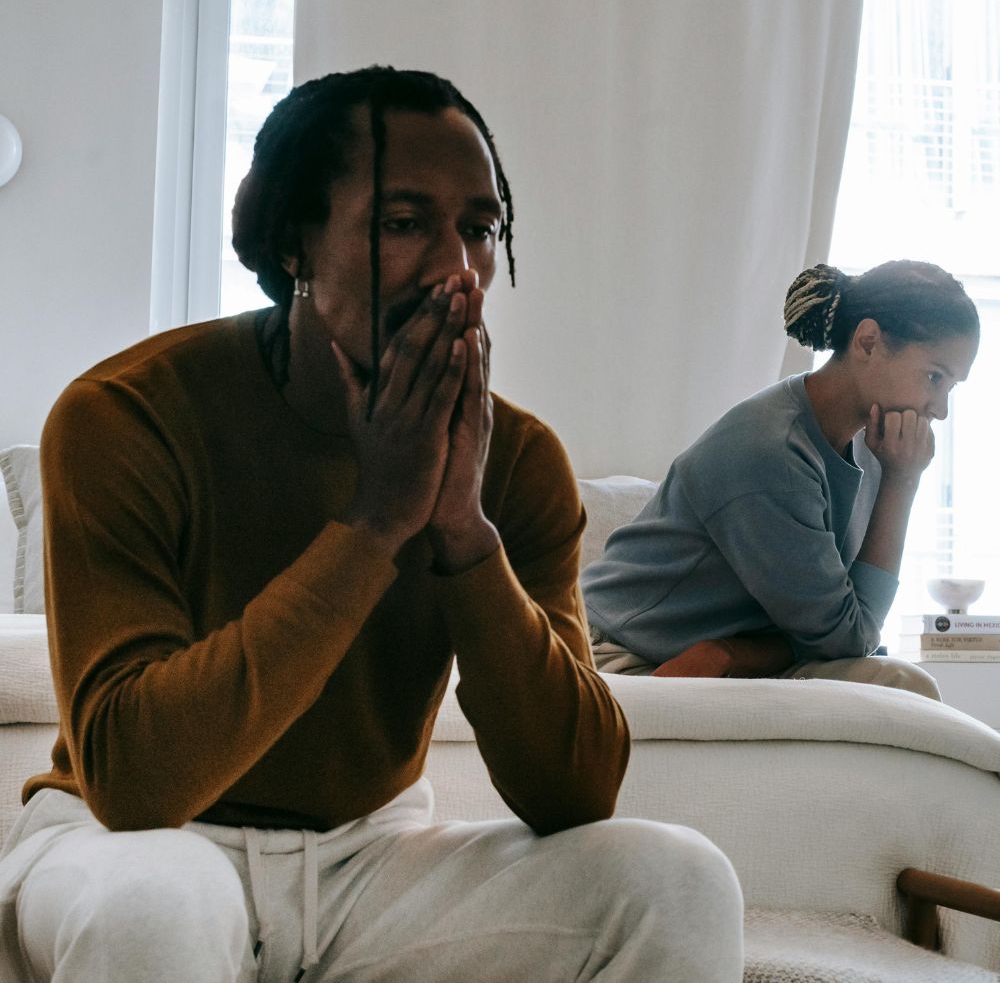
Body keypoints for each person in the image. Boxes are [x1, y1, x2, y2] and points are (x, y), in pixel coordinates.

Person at [0, 67, 743, 982]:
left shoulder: (516, 460)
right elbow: (136, 782)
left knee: (678, 881)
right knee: (155, 908)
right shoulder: (126, 415)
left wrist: (464, 531)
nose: (455, 269)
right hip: (128, 844)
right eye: (403, 224)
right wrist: (376, 523)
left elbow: (577, 789)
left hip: (367, 858)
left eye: (479, 230)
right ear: (294, 246)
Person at [582, 260, 979, 698]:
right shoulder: (771, 451)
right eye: (934, 377)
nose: (939, 409)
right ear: (867, 342)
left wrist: (731, 653)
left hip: (717, 654)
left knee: (902, 683)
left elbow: (843, 634)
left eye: (950, 387)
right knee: (900, 684)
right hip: (625, 654)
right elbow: (849, 637)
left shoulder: (874, 441)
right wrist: (903, 483)